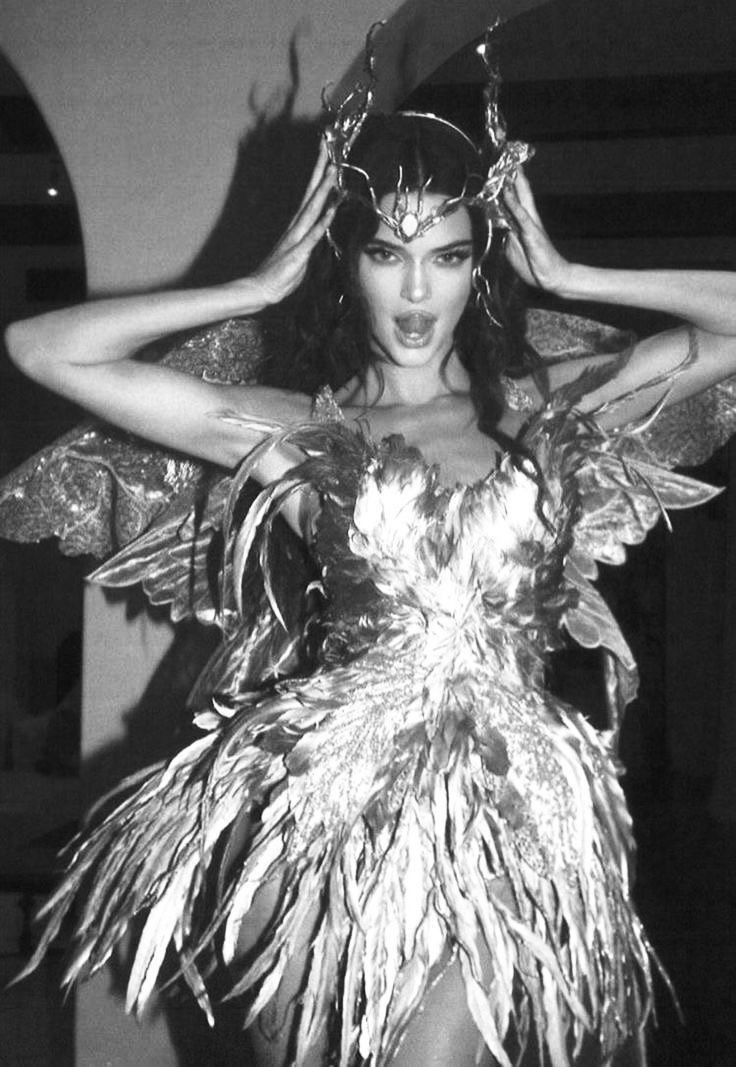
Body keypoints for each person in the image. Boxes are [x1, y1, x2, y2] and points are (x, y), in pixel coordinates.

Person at [5, 50, 736, 1067]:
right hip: (321, 799)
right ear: (345, 264)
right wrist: (253, 282)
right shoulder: (302, 431)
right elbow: (45, 348)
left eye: (444, 254)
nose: (415, 287)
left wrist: (573, 276)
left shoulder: (540, 409)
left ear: (480, 265)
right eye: (387, 253)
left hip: (500, 798)